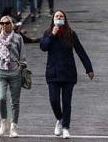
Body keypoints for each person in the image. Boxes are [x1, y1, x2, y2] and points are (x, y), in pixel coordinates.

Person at [39, 10, 94, 139]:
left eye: (61, 16)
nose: (59, 18)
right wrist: (53, 34)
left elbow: (80, 51)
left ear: (65, 19)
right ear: (53, 19)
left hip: (68, 72)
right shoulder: (48, 33)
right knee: (54, 100)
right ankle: (59, 118)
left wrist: (89, 69)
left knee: (66, 101)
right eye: (57, 16)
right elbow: (43, 47)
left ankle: (65, 127)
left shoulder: (70, 34)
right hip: (53, 72)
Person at [0, 13, 28, 137]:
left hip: (15, 71)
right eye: (2, 23)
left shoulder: (18, 38)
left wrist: (21, 67)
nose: (4, 25)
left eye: (7, 23)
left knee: (15, 101)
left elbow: (23, 57)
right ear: (0, 25)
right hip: (1, 71)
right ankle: (3, 123)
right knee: (1, 98)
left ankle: (13, 127)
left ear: (12, 25)